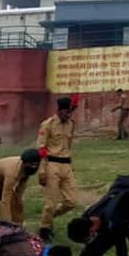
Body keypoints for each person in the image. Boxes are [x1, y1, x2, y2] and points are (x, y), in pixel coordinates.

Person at [37, 96, 78, 242]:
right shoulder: (47, 124)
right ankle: (44, 229)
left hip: (66, 164)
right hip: (51, 165)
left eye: (70, 112)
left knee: (72, 201)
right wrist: (42, 170)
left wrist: (71, 166)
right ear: (59, 110)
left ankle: (49, 217)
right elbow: (41, 149)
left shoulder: (71, 124)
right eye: (66, 112)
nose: (69, 115)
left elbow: (69, 145)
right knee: (50, 203)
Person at [0, 149, 41, 224]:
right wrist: (8, 222)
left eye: (36, 165)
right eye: (32, 165)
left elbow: (19, 192)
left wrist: (18, 204)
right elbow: (6, 199)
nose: (34, 167)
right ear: (24, 163)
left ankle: (19, 228)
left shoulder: (28, 170)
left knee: (16, 204)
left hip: (3, 179)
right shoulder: (13, 172)